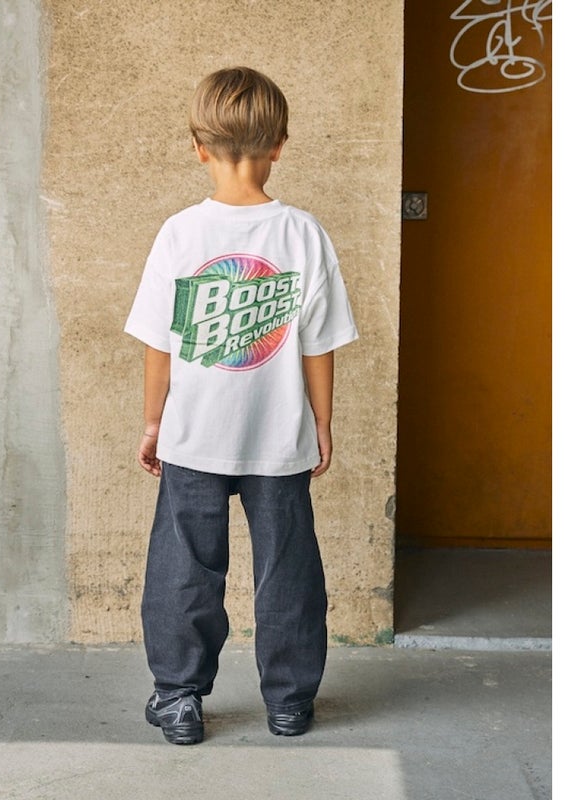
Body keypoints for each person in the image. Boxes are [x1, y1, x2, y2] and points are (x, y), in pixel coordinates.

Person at [124, 66, 359, 745]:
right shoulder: (303, 234)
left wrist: (153, 421)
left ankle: (178, 698)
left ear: (198, 147)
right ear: (279, 144)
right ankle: (289, 701)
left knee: (184, 568)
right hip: (279, 434)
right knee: (288, 567)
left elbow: (160, 345)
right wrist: (321, 421)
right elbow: (318, 345)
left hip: (193, 432)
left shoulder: (179, 234)